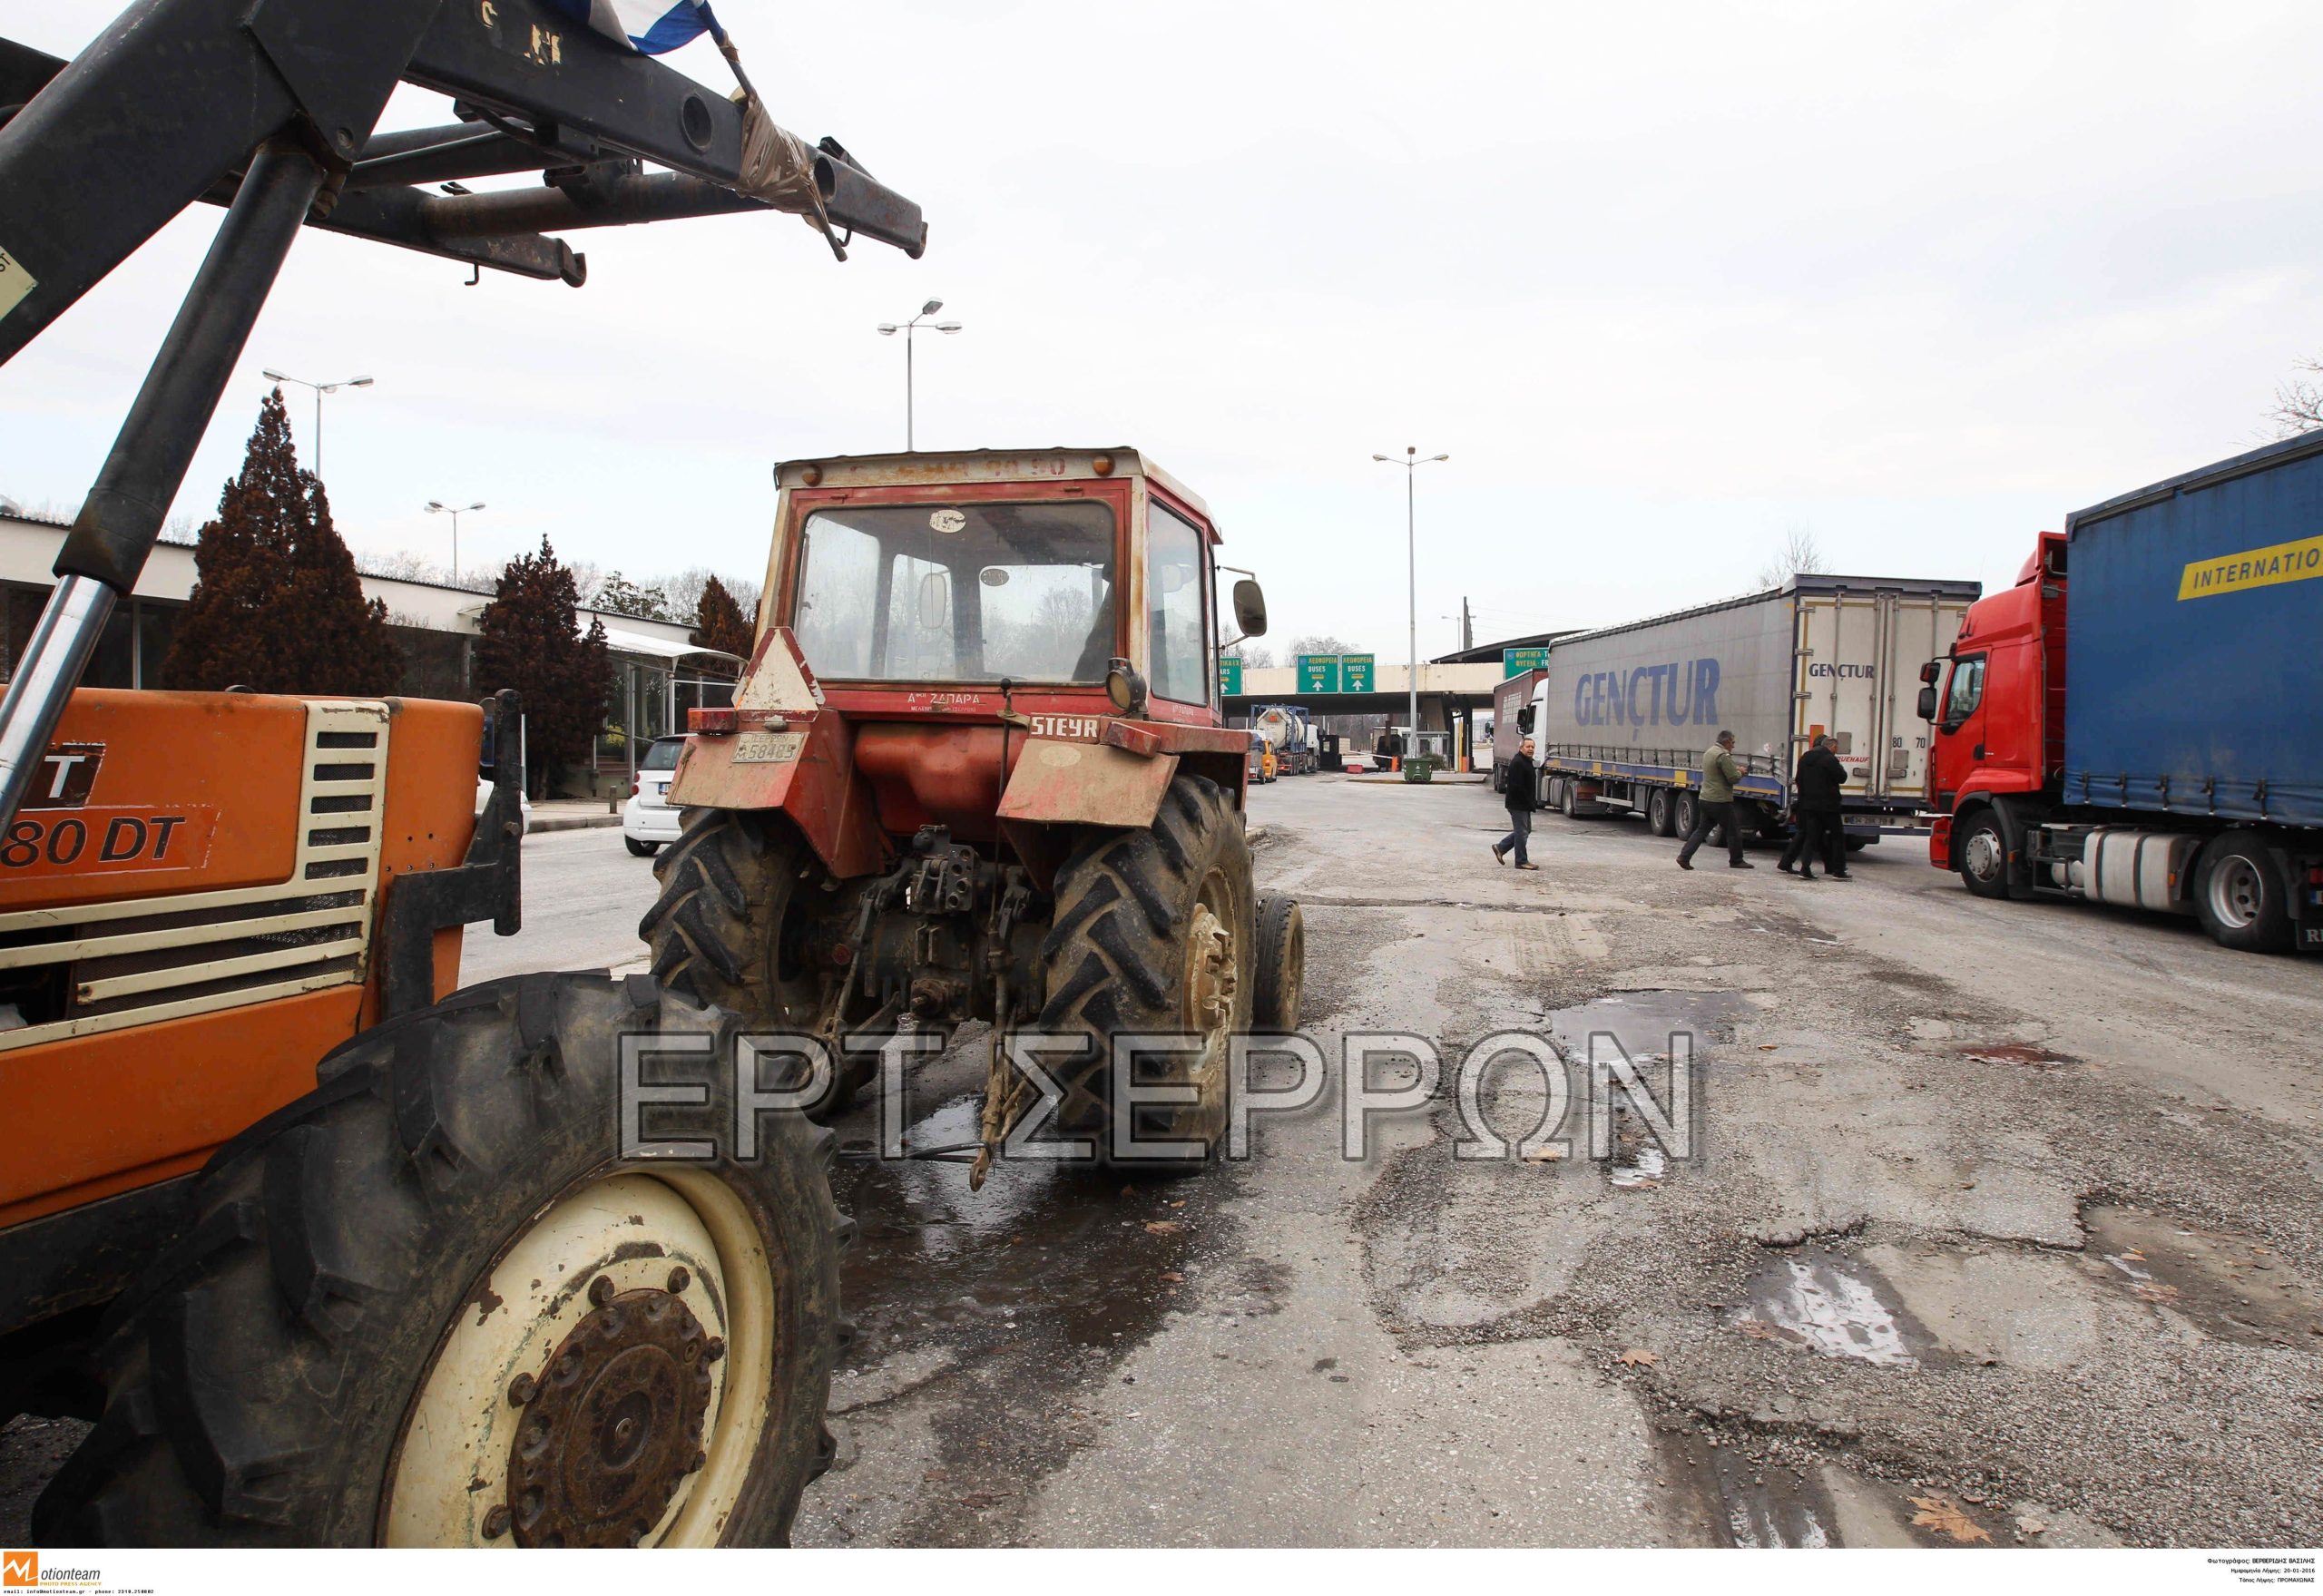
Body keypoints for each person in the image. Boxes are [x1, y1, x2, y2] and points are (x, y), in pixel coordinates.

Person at [1676, 729, 1753, 870]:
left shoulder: (1710, 752)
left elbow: (1718, 772)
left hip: (1705, 798)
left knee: (1702, 830)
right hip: (1720, 800)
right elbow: (1732, 778)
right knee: (1733, 830)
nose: (1733, 746)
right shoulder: (1723, 756)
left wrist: (1734, 770)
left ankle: (1684, 856)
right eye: (1733, 743)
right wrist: (1741, 772)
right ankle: (1736, 860)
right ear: (1726, 742)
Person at [1781, 733, 1849, 880]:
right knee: (1837, 837)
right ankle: (1838, 870)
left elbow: (1799, 779)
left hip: (1809, 805)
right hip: (1829, 806)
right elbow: (1842, 777)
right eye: (1836, 748)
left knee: (1810, 838)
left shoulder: (1805, 758)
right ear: (1833, 746)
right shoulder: (1830, 759)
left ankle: (1805, 869)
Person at [1493, 736, 1541, 870]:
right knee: (1522, 832)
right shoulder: (1518, 762)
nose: (1530, 749)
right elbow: (1517, 787)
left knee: (1525, 830)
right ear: (1521, 748)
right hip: (1518, 804)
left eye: (1532, 747)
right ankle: (1521, 861)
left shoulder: (1526, 761)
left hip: (1524, 804)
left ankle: (1500, 847)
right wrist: (1526, 802)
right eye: (1528, 747)